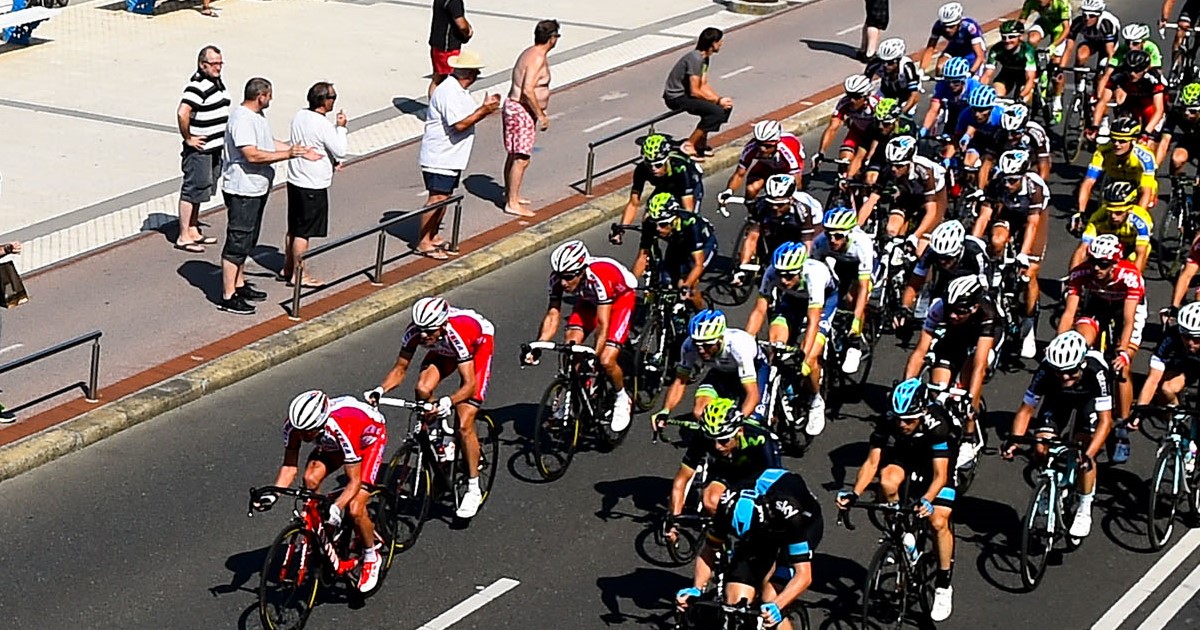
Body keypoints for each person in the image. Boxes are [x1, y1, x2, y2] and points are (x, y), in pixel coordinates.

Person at [837, 379, 958, 622]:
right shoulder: (890, 420)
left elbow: (940, 476)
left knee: (937, 521)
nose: (902, 424)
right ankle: (904, 536)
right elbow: (872, 462)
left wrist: (926, 500)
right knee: (887, 481)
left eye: (909, 420)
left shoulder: (938, 425)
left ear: (922, 412)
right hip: (907, 456)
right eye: (899, 419)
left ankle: (944, 585)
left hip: (937, 465)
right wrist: (854, 493)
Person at [366, 297, 493, 518]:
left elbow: (469, 385)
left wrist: (448, 402)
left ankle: (473, 488)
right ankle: (440, 437)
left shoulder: (457, 333)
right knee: (423, 389)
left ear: (443, 325)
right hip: (444, 349)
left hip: (476, 346)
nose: (424, 336)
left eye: (429, 331)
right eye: (421, 330)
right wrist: (380, 390)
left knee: (464, 423)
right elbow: (400, 369)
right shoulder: (417, 332)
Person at [252, 390, 388, 592]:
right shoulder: (294, 426)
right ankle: (319, 530)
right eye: (300, 431)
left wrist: (336, 507)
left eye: (308, 432)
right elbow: (289, 467)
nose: (303, 436)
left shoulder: (341, 427)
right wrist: (273, 496)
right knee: (310, 478)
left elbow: (354, 481)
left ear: (322, 423)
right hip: (332, 443)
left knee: (355, 507)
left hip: (367, 440)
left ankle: (370, 557)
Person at [219, 78, 318, 315]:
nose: (271, 99)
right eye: (269, 95)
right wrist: (288, 155)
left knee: (248, 240)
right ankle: (228, 295)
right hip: (243, 189)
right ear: (260, 96)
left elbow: (266, 142)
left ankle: (239, 284)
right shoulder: (242, 120)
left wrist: (295, 150)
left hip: (256, 188)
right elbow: (252, 154)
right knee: (238, 241)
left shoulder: (256, 117)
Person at [1002, 331, 1114, 539]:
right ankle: (1047, 487)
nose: (1064, 377)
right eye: (1059, 372)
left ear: (1081, 364)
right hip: (1057, 399)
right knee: (1040, 444)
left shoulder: (1096, 370)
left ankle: (1084, 507)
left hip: (1088, 401)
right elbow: (1026, 409)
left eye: (1070, 372)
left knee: (1083, 448)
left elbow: (1105, 422)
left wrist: (1089, 454)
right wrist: (1014, 441)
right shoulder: (1046, 370)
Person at [677, 469, 822, 630]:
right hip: (757, 534)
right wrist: (697, 588)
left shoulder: (789, 512)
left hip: (804, 525)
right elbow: (708, 552)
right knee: (735, 600)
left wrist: (776, 606)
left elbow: (804, 575)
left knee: (770, 597)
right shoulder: (727, 505)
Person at [525, 240, 636, 431]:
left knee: (606, 360)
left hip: (619, 300)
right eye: (560, 276)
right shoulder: (557, 280)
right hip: (589, 301)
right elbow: (553, 314)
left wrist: (594, 355)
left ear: (582, 271)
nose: (563, 283)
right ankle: (576, 390)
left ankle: (622, 398)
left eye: (568, 277)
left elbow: (603, 324)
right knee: (570, 345)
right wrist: (539, 345)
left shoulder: (598, 278)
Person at [745, 242, 838, 435]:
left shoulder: (814, 276)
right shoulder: (772, 272)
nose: (784, 280)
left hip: (823, 302)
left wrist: (806, 354)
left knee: (810, 357)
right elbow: (760, 309)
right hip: (792, 301)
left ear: (800, 270)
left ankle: (815, 400)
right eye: (781, 275)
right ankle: (779, 393)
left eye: (789, 275)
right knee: (775, 346)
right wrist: (747, 341)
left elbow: (813, 321)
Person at [903, 275, 997, 467]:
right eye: (950, 310)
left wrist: (969, 398)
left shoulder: (987, 313)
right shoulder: (939, 307)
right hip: (954, 337)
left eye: (960, 311)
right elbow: (920, 351)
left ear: (974, 307)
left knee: (968, 379)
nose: (953, 315)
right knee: (939, 389)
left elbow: (979, 367)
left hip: (984, 340)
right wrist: (908, 388)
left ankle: (969, 437)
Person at [418, 51, 501, 259]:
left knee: (444, 198)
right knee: (437, 198)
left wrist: (485, 109)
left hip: (451, 157)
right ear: (470, 74)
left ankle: (433, 234)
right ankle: (424, 241)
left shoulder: (459, 92)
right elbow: (460, 124)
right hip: (440, 157)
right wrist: (484, 110)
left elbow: (467, 117)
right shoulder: (449, 92)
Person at [1058, 234, 1147, 425]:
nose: (1096, 268)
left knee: (1122, 367)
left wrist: (1123, 352)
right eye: (1093, 261)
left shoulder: (1130, 276)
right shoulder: (1081, 273)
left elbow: (1129, 320)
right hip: (1098, 303)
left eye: (1104, 264)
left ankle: (1123, 421)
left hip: (1126, 307)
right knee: (1080, 341)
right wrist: (1060, 344)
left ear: (1115, 264)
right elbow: (1069, 313)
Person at [972, 149, 1049, 358]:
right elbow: (984, 216)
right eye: (1006, 179)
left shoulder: (1035, 188)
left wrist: (1024, 254)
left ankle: (1029, 323)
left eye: (1013, 180)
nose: (1008, 184)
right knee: (996, 241)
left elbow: (1033, 225)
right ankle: (997, 273)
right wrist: (973, 243)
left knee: (1029, 272)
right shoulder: (998, 182)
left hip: (1033, 218)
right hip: (1008, 214)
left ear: (1023, 176)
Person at [665, 397, 781, 526]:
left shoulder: (761, 439)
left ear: (740, 431)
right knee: (711, 501)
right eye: (712, 440)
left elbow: (776, 484)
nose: (717, 446)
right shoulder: (703, 436)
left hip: (757, 475)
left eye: (724, 440)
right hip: (727, 471)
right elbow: (682, 480)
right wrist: (674, 522)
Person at [653, 309, 766, 433]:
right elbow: (680, 381)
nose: (701, 350)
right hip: (721, 372)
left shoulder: (738, 347)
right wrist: (666, 410)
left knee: (751, 423)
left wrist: (738, 420)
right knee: (700, 413)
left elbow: (753, 395)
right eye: (697, 344)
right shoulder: (689, 346)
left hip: (755, 370)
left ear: (720, 339)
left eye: (707, 345)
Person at [282, 82, 348, 288]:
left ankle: (288, 267)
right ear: (324, 101)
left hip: (295, 179)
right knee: (304, 232)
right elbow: (340, 150)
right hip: (312, 184)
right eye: (333, 98)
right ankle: (300, 274)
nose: (334, 102)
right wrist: (341, 128)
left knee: (294, 227)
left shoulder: (300, 116)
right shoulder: (323, 125)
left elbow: (316, 144)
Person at [175, 45, 229, 254]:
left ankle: (193, 228)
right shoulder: (197, 86)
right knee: (193, 189)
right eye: (214, 64)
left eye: (220, 63)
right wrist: (188, 138)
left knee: (204, 186)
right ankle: (183, 235)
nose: (218, 67)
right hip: (200, 150)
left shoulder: (215, 82)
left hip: (214, 148)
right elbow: (183, 112)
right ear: (202, 64)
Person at [503, 19, 559, 218]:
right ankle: (511, 202)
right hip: (522, 110)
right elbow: (527, 89)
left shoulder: (531, 52)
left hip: (517, 109)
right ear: (552, 39)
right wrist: (540, 115)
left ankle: (512, 195)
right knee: (522, 158)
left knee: (515, 154)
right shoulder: (536, 58)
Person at [857, 135, 947, 252]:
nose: (894, 169)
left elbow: (931, 211)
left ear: (910, 162)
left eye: (899, 166)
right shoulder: (889, 169)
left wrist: (915, 236)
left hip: (934, 196)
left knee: (921, 247)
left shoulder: (925, 171)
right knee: (891, 229)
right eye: (892, 164)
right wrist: (856, 228)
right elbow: (872, 200)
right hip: (908, 193)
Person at [812, 207, 874, 374]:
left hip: (859, 268)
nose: (832, 240)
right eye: (829, 235)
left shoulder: (862, 244)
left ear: (848, 234)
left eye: (838, 236)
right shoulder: (820, 242)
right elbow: (812, 273)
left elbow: (863, 288)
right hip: (840, 265)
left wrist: (856, 318)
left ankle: (855, 344)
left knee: (852, 299)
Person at [897, 219, 990, 331]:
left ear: (959, 250)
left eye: (947, 258)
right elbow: (914, 282)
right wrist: (905, 308)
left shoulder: (975, 252)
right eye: (939, 257)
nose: (942, 262)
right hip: (946, 280)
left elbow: (987, 287)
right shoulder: (931, 251)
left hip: (972, 283)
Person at [732, 174, 822, 286]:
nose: (774, 207)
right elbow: (752, 237)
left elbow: (807, 242)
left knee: (812, 246)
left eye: (779, 204)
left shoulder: (802, 209)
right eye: (771, 203)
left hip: (810, 223)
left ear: (790, 200)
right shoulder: (762, 205)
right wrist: (742, 268)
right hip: (782, 221)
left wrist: (802, 266)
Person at [630, 193, 716, 311]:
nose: (658, 229)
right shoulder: (651, 225)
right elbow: (642, 257)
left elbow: (698, 264)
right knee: (666, 282)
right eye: (655, 224)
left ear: (674, 219)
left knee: (686, 285)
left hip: (703, 246)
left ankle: (701, 316)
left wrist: (686, 286)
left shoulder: (690, 224)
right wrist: (630, 283)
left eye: (663, 224)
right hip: (677, 243)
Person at [613, 133, 704, 243]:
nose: (653, 169)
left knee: (686, 227)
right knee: (649, 217)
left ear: (666, 159)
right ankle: (649, 251)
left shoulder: (680, 168)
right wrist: (621, 230)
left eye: (658, 165)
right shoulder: (641, 170)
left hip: (688, 188)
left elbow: (688, 210)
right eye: (649, 165)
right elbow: (633, 203)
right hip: (665, 187)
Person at [663, 27, 733, 160]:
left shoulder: (705, 59)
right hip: (677, 97)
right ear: (713, 43)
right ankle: (689, 144)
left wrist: (720, 100)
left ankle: (700, 144)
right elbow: (695, 91)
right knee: (715, 112)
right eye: (719, 41)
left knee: (723, 109)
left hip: (688, 94)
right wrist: (717, 102)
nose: (721, 44)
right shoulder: (695, 59)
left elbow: (704, 84)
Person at [1077, 117, 1159, 216]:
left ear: (1133, 141)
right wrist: (1080, 213)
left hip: (1139, 187)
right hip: (1115, 184)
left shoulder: (1145, 157)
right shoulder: (1103, 152)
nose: (1116, 144)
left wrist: (1137, 217)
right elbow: (1088, 182)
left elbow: (1146, 191)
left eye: (1122, 141)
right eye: (1113, 140)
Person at [1070, 180, 1154, 273]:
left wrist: (1134, 279)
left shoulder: (1140, 222)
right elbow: (1082, 249)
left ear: (1129, 209)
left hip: (1131, 248)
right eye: (1110, 211)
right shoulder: (1098, 217)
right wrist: (1073, 276)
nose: (1113, 216)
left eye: (1119, 212)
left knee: (1133, 258)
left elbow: (1140, 253)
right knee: (1093, 255)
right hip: (1109, 246)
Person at [1090, 50, 1167, 149]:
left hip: (1150, 105)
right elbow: (1103, 101)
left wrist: (1146, 133)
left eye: (1137, 70)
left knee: (1147, 144)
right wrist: (1095, 126)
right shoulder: (1118, 74)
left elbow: (1159, 110)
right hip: (1132, 102)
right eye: (1129, 69)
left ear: (1146, 69)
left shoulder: (1153, 78)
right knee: (1121, 133)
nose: (1132, 73)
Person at [720, 121, 805, 207]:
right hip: (766, 167)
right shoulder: (751, 148)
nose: (762, 149)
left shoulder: (787, 149)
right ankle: (754, 217)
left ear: (776, 143)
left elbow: (796, 179)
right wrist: (728, 191)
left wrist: (797, 201)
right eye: (759, 144)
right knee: (751, 189)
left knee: (781, 196)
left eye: (767, 146)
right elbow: (739, 174)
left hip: (786, 169)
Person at [1021, 0, 1072, 120]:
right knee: (1032, 40)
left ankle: (1057, 101)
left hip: (1060, 28)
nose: (1040, 1)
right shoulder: (1030, 2)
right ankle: (1037, 70)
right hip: (1044, 22)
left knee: (1056, 64)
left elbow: (1066, 29)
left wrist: (1054, 46)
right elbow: (1021, 22)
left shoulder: (1061, 3)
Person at [815, 75, 878, 169]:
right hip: (857, 132)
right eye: (849, 95)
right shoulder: (844, 103)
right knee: (845, 162)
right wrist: (821, 152)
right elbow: (832, 128)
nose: (852, 100)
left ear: (866, 96)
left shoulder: (876, 105)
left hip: (876, 136)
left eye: (856, 97)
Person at [920, 57, 981, 138]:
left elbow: (977, 116)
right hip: (953, 113)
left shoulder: (974, 87)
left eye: (956, 81)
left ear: (964, 79)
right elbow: (933, 110)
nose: (951, 85)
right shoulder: (942, 85)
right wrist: (924, 128)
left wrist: (967, 134)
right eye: (948, 81)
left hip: (970, 116)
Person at [919, 2, 986, 75]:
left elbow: (980, 56)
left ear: (959, 23)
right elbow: (930, 49)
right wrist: (921, 71)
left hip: (972, 51)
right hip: (955, 47)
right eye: (945, 26)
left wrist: (971, 72)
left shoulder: (970, 27)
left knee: (975, 80)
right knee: (940, 67)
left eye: (951, 26)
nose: (947, 30)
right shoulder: (938, 26)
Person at [981, 20, 1038, 102]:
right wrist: (979, 90)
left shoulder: (1028, 51)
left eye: (1011, 37)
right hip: (1007, 74)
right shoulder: (996, 49)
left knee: (1024, 100)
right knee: (997, 98)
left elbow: (1030, 79)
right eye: (1004, 37)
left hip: (1024, 76)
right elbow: (987, 74)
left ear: (1020, 36)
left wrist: (1021, 97)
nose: (1007, 41)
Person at [864, 39, 922, 118]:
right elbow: (863, 85)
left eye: (890, 62)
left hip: (906, 95)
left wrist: (901, 113)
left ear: (898, 60)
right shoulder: (875, 64)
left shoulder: (907, 67)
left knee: (905, 116)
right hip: (886, 91)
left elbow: (914, 95)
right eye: (883, 61)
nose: (885, 65)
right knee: (869, 112)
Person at [1155, 83, 1200, 178]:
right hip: (1191, 140)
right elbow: (1164, 141)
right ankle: (1176, 184)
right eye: (1184, 109)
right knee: (1177, 159)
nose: (1186, 114)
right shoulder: (1176, 112)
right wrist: (1153, 169)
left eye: (1192, 111)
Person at [428, 0, 473, 96]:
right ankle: (442, 105)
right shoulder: (454, 2)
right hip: (448, 47)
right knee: (450, 80)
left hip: (437, 43)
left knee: (437, 78)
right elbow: (461, 24)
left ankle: (433, 106)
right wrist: (468, 32)